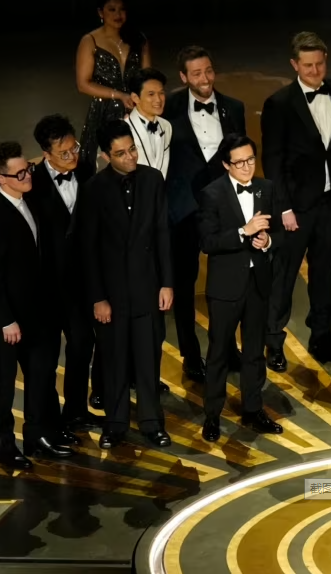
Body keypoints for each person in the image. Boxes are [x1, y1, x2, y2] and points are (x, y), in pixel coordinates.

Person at [262, 31, 331, 369]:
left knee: (324, 278)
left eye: (319, 64)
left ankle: (322, 340)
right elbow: (273, 161)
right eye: (308, 65)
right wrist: (282, 207)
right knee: (283, 278)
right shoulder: (280, 103)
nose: (315, 71)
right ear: (294, 64)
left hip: (330, 204)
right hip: (295, 209)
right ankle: (273, 342)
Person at [0, 142, 74, 469]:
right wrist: (6, 320)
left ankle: (36, 437)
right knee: (4, 384)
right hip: (7, 317)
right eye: (18, 174)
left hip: (39, 311)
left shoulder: (31, 200)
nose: (26, 176)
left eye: (27, 169)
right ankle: (4, 446)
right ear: (0, 179)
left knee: (41, 375)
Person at [80, 121, 173, 449]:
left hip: (148, 286)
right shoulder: (93, 189)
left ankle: (152, 422)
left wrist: (167, 283)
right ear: (106, 156)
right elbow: (87, 249)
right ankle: (115, 423)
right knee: (115, 360)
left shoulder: (153, 179)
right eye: (120, 153)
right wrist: (98, 298)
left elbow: (162, 233)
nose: (130, 156)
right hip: (113, 294)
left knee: (148, 359)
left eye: (132, 148)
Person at [165, 45, 246, 383]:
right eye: (196, 73)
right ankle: (190, 354)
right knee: (184, 286)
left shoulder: (233, 108)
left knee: (225, 284)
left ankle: (226, 348)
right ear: (184, 77)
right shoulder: (166, 108)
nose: (205, 79)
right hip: (182, 211)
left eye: (208, 70)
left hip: (224, 210)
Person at [197, 135, 285, 442]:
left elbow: (278, 234)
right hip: (225, 287)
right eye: (239, 162)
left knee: (253, 352)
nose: (247, 167)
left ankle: (252, 408)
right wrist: (243, 232)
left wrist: (268, 241)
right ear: (225, 164)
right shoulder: (212, 194)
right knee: (219, 352)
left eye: (250, 160)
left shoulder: (267, 188)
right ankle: (212, 415)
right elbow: (207, 242)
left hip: (258, 282)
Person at [27, 115, 103, 427]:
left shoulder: (86, 170)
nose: (72, 156)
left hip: (81, 283)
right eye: (64, 153)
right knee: (45, 359)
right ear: (46, 154)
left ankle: (76, 411)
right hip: (47, 287)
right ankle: (49, 423)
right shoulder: (32, 185)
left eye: (74, 148)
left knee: (83, 344)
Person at [75, 0, 150, 179]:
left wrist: (141, 101)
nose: (118, 14)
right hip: (103, 112)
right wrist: (119, 95)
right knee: (102, 169)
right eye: (112, 9)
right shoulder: (90, 41)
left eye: (122, 9)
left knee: (140, 164)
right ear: (100, 12)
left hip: (135, 110)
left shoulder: (139, 39)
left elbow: (147, 79)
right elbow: (83, 84)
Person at [125, 67, 172, 177]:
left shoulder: (166, 126)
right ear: (135, 98)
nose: (158, 99)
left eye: (161, 93)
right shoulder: (124, 129)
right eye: (151, 94)